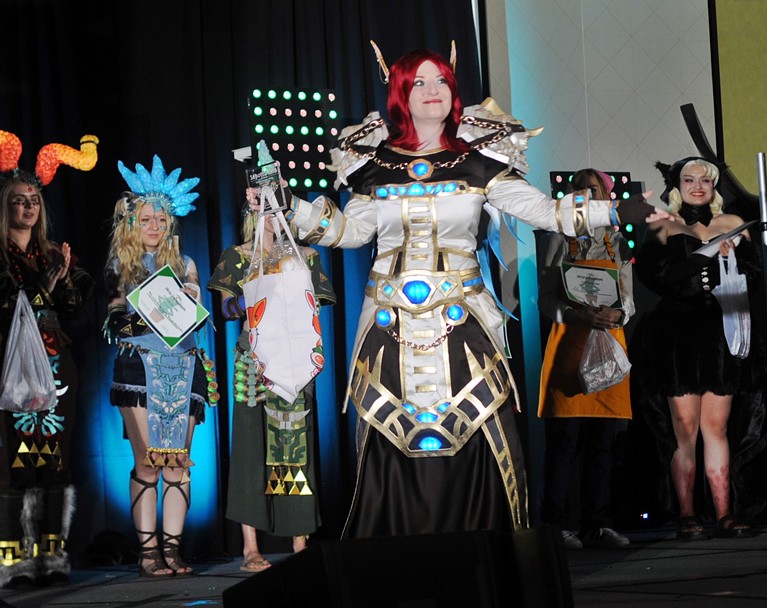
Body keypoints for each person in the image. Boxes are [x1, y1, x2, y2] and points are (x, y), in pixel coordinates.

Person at [261, 44, 669, 538]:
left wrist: (619, 211)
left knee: (481, 429)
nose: (432, 91)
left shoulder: (479, 159)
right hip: (390, 325)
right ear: (401, 93)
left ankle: (488, 558)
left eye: (441, 81)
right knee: (390, 433)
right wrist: (291, 206)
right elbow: (350, 232)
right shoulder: (372, 162)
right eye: (419, 83)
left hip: (463, 321)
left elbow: (547, 212)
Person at [630, 157, 767, 540]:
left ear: (713, 187)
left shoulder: (731, 225)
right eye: (689, 179)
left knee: (716, 427)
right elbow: (654, 277)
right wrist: (701, 258)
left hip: (720, 333)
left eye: (704, 180)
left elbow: (754, 278)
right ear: (677, 185)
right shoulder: (663, 224)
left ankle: (726, 513)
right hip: (677, 335)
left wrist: (733, 261)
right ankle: (687, 514)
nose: (697, 186)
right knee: (685, 428)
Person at [104, 155, 217, 577]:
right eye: (146, 218)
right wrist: (144, 308)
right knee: (148, 462)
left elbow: (193, 315)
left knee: (177, 462)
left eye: (161, 218)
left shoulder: (185, 264)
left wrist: (183, 296)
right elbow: (116, 319)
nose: (154, 225)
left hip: (183, 369)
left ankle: (173, 550)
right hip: (138, 369)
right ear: (133, 223)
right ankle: (148, 552)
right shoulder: (122, 266)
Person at [207, 200, 335, 571]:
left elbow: (316, 305)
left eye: (278, 207)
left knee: (296, 444)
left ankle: (299, 539)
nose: (272, 215)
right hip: (255, 356)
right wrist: (252, 295)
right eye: (264, 207)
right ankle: (250, 546)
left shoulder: (304, 255)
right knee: (251, 447)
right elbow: (227, 308)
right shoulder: (237, 256)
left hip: (296, 356)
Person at [0, 131, 97, 586]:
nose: (28, 206)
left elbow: (76, 310)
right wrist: (48, 290)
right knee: (14, 462)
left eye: (34, 199)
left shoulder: (53, 253)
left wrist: (65, 282)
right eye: (19, 200)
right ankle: (14, 560)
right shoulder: (1, 256)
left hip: (57, 367)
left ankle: (52, 555)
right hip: (11, 368)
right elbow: (11, 304)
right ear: (5, 207)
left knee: (54, 459)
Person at [537, 169, 633, 549]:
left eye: (593, 189)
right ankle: (556, 526)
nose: (586, 195)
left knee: (602, 444)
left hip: (609, 346)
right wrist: (578, 314)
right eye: (579, 189)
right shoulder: (559, 238)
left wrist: (620, 314)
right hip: (569, 347)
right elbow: (545, 301)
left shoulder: (615, 241)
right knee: (563, 445)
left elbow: (627, 297)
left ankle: (598, 523)